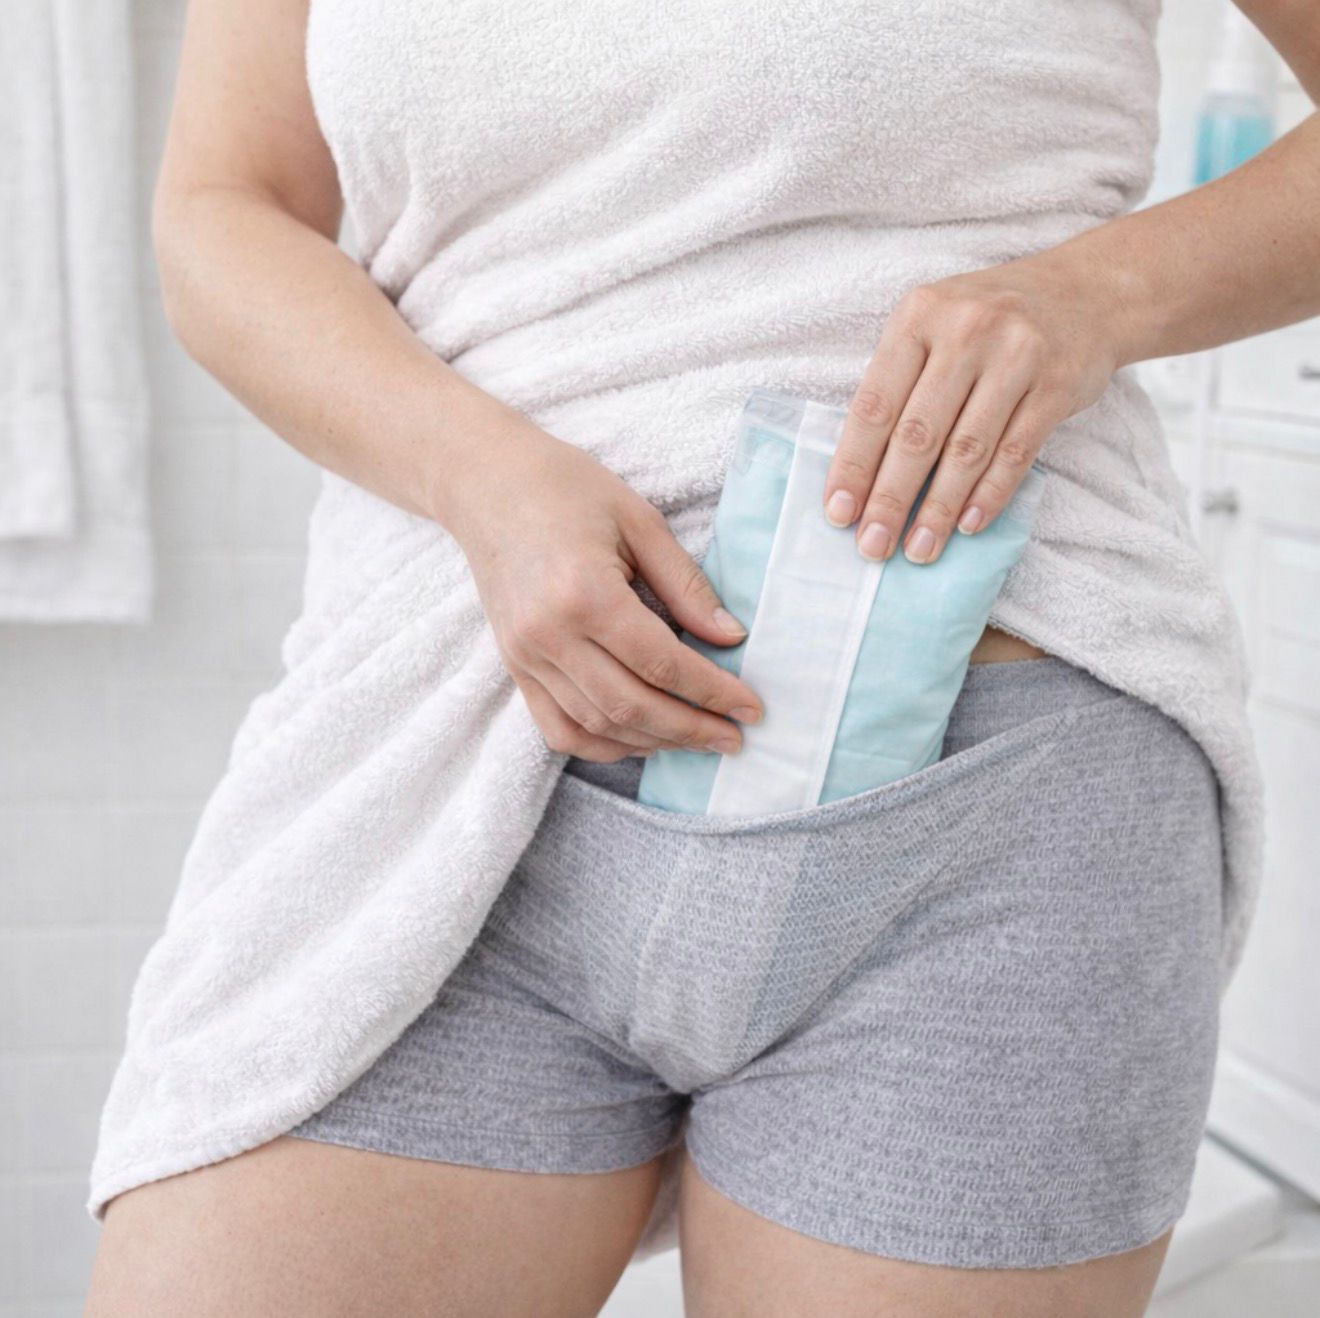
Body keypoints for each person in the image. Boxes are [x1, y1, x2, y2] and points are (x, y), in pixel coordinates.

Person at [85, 1, 1317, 1314]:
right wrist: (478, 475)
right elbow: (225, 207)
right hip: (441, 755)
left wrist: (1095, 297)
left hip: (993, 794)